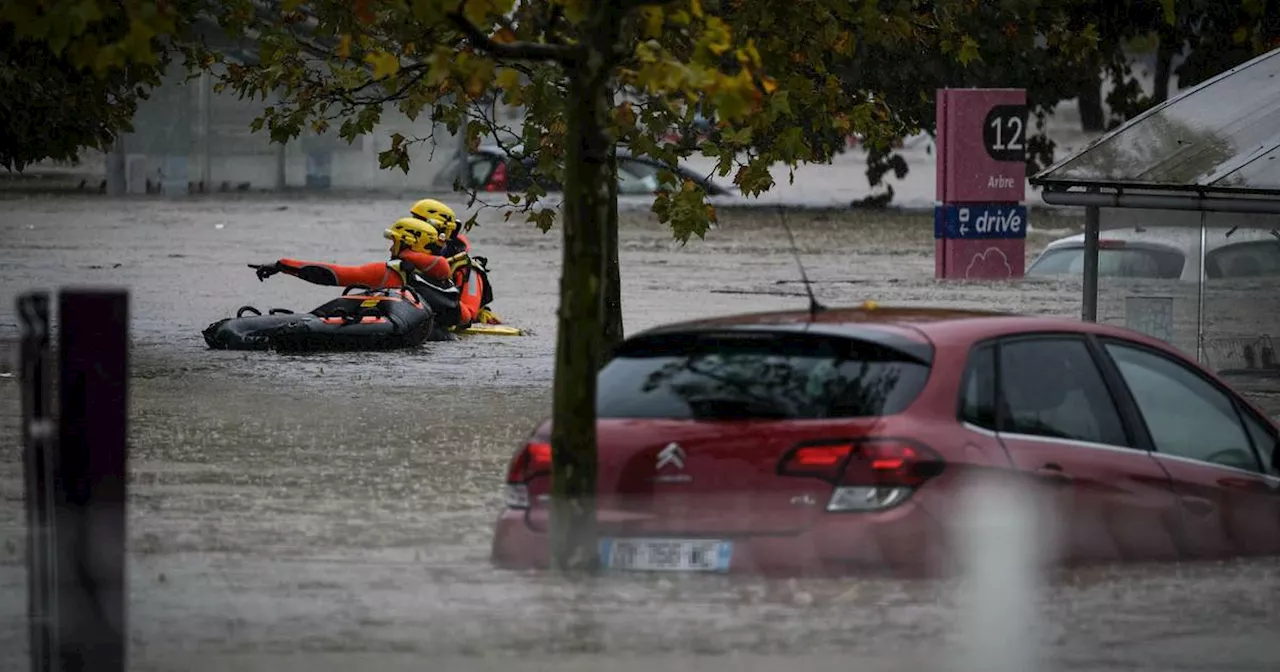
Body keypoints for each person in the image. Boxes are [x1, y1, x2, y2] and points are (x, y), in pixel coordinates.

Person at [251, 217, 467, 334]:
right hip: (441, 339)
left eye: (395, 242)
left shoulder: (391, 271)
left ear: (408, 243)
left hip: (401, 337)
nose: (391, 248)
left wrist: (283, 265)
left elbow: (332, 275)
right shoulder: (444, 275)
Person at [408, 198, 502, 326]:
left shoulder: (467, 270)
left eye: (420, 230)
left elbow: (469, 313)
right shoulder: (408, 259)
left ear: (441, 232)